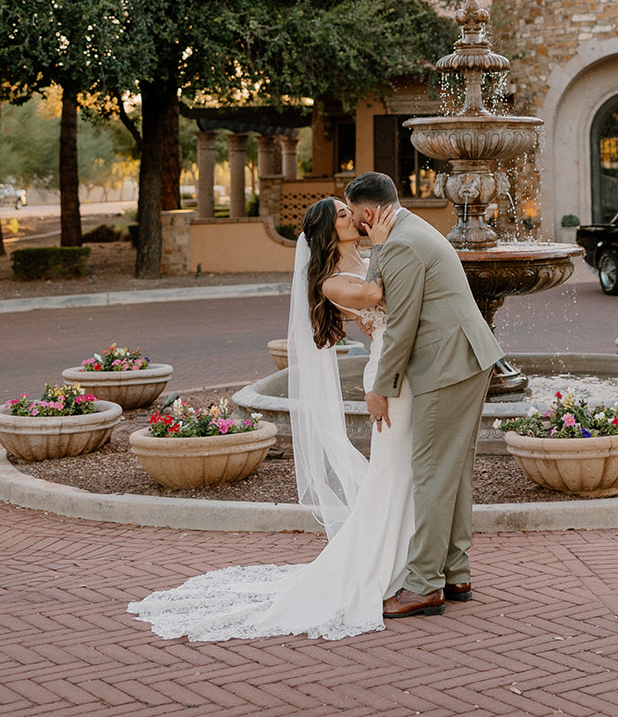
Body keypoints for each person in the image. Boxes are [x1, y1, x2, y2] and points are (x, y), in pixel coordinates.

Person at [127, 195, 414, 641]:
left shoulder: (370, 256)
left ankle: (406, 556)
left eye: (349, 210)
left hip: (405, 367)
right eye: (342, 214)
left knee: (403, 468)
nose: (353, 217)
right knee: (390, 469)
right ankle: (380, 565)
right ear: (326, 232)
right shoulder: (333, 282)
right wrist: (385, 240)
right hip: (386, 374)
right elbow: (377, 294)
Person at [344, 170, 503, 618]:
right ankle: (456, 572)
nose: (357, 224)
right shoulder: (406, 233)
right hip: (465, 360)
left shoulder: (401, 243)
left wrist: (381, 389)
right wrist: (376, 246)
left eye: (357, 216)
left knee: (431, 473)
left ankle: (424, 585)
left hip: (447, 365)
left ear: (369, 212)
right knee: (451, 471)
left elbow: (401, 325)